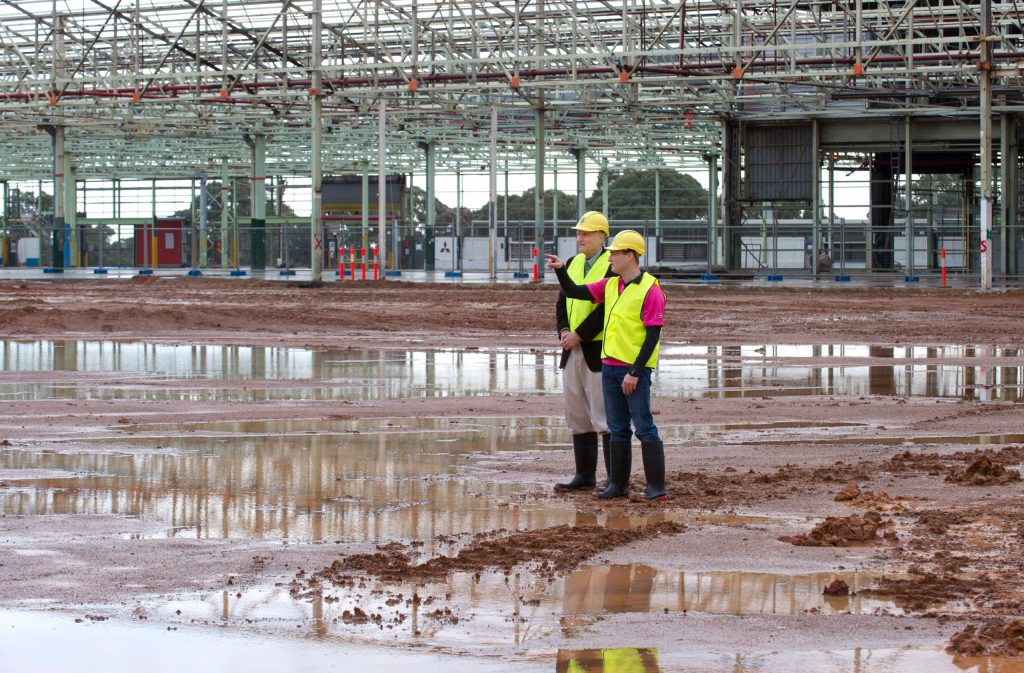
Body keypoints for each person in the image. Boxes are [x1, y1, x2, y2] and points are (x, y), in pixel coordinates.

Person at [545, 229, 667, 500]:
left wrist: (636, 371)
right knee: (618, 427)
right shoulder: (612, 285)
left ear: (630, 256)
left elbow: (652, 335)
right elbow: (574, 291)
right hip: (609, 365)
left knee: (644, 426)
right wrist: (561, 269)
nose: (610, 257)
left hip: (633, 369)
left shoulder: (651, 290)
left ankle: (657, 488)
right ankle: (618, 485)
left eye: (615, 253)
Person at [554, 211, 614, 492]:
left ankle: (614, 479)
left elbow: (607, 310)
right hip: (571, 349)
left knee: (604, 416)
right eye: (578, 232)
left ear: (602, 236)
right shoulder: (574, 263)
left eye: (586, 233)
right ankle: (585, 475)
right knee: (576, 414)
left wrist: (581, 335)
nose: (580, 237)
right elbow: (561, 302)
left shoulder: (611, 266)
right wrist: (565, 332)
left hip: (597, 350)